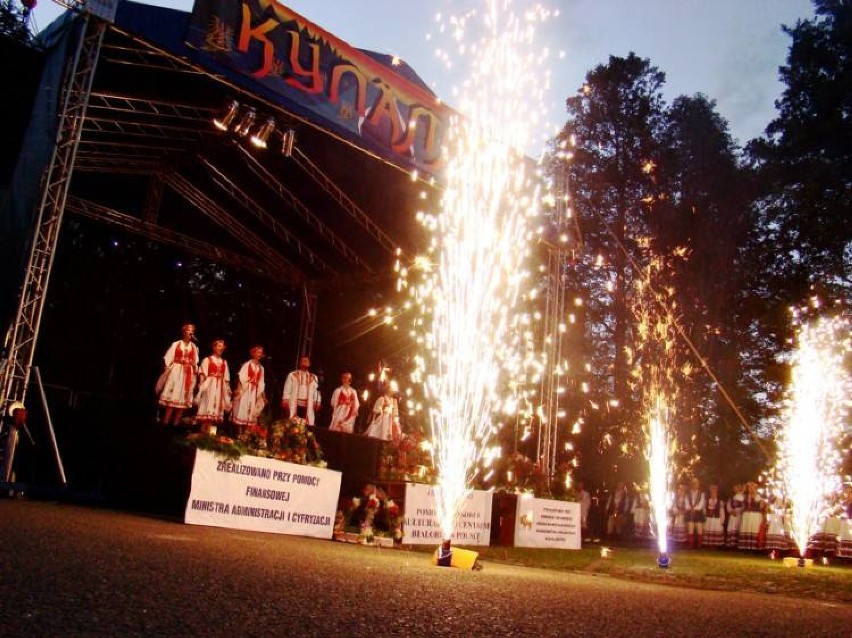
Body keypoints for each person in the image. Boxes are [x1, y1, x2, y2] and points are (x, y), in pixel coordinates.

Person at [156, 323, 199, 425]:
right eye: (189, 330)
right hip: (176, 371)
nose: (191, 332)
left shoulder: (194, 347)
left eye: (192, 331)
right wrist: (167, 370)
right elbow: (168, 358)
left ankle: (176, 424)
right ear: (184, 332)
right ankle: (165, 422)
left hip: (187, 374)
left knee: (182, 400)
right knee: (172, 398)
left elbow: (195, 362)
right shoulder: (176, 344)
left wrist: (192, 368)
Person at [195, 339, 231, 434]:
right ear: (214, 347)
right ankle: (202, 430)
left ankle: (209, 432)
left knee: (216, 407)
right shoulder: (207, 359)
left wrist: (227, 389)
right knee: (208, 404)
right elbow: (202, 373)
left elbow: (226, 378)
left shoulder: (224, 362)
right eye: (219, 346)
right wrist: (201, 384)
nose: (221, 348)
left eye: (222, 346)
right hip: (210, 384)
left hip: (219, 386)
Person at [231, 345, 266, 436]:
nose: (259, 354)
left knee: (251, 412)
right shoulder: (247, 364)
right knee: (242, 409)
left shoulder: (261, 368)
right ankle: (239, 433)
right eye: (258, 352)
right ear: (253, 353)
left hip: (254, 392)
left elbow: (262, 383)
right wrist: (238, 389)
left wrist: (263, 396)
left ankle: (245, 436)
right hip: (246, 389)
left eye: (261, 353)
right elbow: (241, 377)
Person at [281, 355, 321, 425]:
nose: (305, 362)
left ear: (309, 364)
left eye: (306, 361)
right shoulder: (292, 374)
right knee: (293, 423)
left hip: (308, 404)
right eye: (303, 361)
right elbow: (287, 387)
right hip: (294, 402)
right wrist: (285, 399)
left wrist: (318, 401)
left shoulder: (314, 377)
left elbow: (316, 391)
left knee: (308, 423)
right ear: (300, 363)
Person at [738, 482, 765, 550]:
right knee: (747, 528)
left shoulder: (758, 496)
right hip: (747, 515)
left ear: (755, 489)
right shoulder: (746, 496)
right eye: (749, 488)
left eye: (752, 488)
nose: (750, 489)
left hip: (755, 515)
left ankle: (754, 547)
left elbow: (761, 506)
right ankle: (746, 546)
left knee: (754, 529)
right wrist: (743, 490)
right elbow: (739, 498)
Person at [702, 483, 726, 548]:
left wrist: (722, 521)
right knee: (708, 530)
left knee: (716, 530)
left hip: (716, 519)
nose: (713, 493)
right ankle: (708, 544)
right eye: (712, 492)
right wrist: (704, 518)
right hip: (708, 519)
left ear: (717, 493)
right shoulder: (707, 501)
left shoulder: (719, 502)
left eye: (714, 492)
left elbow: (722, 512)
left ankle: (716, 545)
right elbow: (704, 510)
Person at [685, 477, 706, 549]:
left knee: (699, 528)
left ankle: (699, 545)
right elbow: (686, 502)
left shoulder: (701, 493)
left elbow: (702, 503)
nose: (695, 485)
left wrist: (695, 508)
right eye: (693, 483)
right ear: (691, 484)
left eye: (696, 483)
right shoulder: (688, 493)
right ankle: (691, 545)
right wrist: (690, 508)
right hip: (690, 512)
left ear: (698, 484)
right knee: (690, 527)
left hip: (698, 513)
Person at [725, 483, 745, 548]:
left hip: (739, 515)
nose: (735, 489)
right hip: (733, 515)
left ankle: (737, 544)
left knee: (738, 527)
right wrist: (731, 511)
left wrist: (738, 511)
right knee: (732, 527)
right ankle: (731, 544)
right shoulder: (732, 497)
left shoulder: (743, 497)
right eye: (735, 487)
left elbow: (743, 506)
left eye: (737, 487)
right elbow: (728, 505)